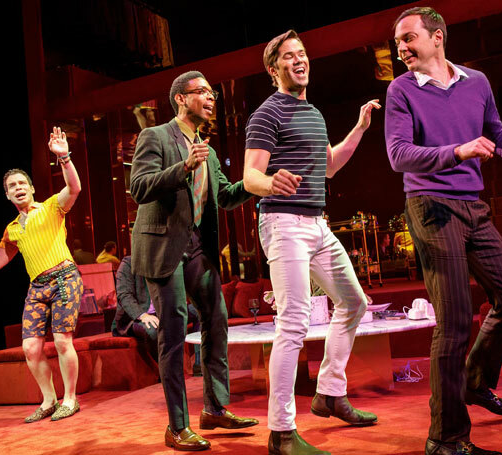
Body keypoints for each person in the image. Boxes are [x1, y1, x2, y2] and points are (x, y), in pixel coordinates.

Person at [386, 8, 502, 455]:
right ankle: (445, 439)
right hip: (430, 207)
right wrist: (457, 151)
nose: (402, 48)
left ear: (438, 37)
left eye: (409, 38)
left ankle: (474, 381)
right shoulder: (400, 90)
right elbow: (399, 155)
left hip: (473, 206)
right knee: (452, 324)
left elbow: (497, 133)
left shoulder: (477, 82)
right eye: (398, 43)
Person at [243, 30, 381, 455]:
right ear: (274, 69)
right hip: (283, 224)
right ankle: (281, 432)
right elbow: (251, 177)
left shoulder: (314, 113)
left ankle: (330, 393)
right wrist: (272, 183)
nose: (299, 60)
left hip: (317, 226)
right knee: (294, 323)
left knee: (354, 303)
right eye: (289, 56)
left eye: (302, 54)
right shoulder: (267, 114)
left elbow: (330, 168)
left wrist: (359, 128)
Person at [130, 70, 258, 451]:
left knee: (217, 320)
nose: (211, 98)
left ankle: (216, 409)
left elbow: (224, 195)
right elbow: (139, 187)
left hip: (198, 248)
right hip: (164, 247)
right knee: (173, 331)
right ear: (181, 99)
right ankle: (177, 426)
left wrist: (256, 182)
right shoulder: (156, 136)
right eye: (202, 92)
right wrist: (183, 167)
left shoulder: (209, 148)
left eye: (213, 93)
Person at [0, 127, 84, 423]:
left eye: (22, 183)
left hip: (65, 277)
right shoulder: (12, 229)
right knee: (30, 348)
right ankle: (49, 400)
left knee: (62, 340)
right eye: (11, 185)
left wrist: (63, 157)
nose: (18, 187)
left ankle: (71, 398)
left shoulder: (52, 207)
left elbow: (74, 188)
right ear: (6, 195)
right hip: (37, 287)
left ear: (30, 188)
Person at [112, 255, 202, 374]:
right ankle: (166, 371)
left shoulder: (165, 261)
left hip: (162, 312)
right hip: (135, 318)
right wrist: (142, 315)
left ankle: (199, 364)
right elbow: (124, 295)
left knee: (198, 311)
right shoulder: (129, 263)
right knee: (153, 329)